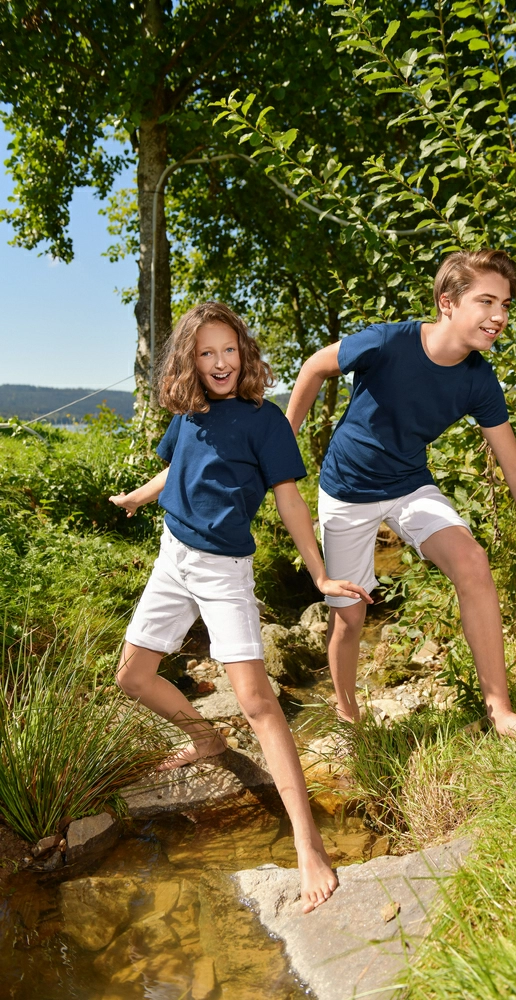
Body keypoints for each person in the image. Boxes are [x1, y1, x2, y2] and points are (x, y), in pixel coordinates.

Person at [110, 301, 371, 912]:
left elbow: (290, 500)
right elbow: (177, 469)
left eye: (229, 349)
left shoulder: (264, 420)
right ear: (190, 361)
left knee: (257, 703)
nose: (220, 361)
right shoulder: (188, 413)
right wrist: (139, 497)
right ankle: (205, 739)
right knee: (132, 676)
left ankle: (309, 844)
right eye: (207, 353)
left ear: (244, 353)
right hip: (172, 556)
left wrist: (320, 573)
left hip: (224, 570)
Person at [286, 249, 516, 736]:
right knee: (350, 616)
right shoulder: (388, 341)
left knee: (472, 561)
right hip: (347, 490)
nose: (499, 316)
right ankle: (347, 716)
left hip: (409, 484)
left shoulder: (478, 379)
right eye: (486, 301)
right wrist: (285, 445)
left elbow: (514, 464)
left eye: (506, 305)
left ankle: (500, 713)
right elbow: (314, 366)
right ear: (447, 302)